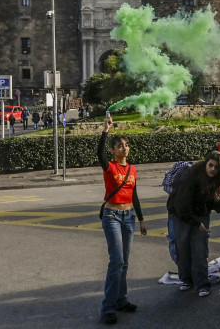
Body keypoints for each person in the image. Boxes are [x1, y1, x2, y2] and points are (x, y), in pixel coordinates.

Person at [98, 114, 147, 325]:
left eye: (126, 145)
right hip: (112, 216)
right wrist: (105, 130)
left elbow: (134, 194)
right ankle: (107, 308)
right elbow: (99, 155)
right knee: (116, 261)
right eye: (120, 146)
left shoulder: (132, 169)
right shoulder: (110, 167)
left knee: (124, 262)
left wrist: (142, 219)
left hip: (129, 217)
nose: (124, 148)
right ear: (113, 151)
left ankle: (121, 299)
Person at [166, 150, 220, 298]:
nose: (212, 169)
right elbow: (181, 204)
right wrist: (195, 222)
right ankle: (186, 280)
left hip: (201, 214)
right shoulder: (192, 176)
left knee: (199, 249)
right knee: (183, 248)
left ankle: (202, 284)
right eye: (210, 165)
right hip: (181, 214)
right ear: (206, 163)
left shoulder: (219, 181)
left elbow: (218, 209)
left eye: (216, 167)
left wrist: (219, 198)